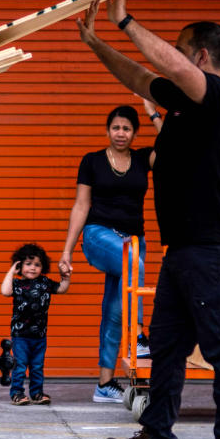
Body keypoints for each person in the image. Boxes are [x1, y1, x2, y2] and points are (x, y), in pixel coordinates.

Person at [76, 0, 220, 439]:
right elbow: (138, 75)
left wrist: (126, 21)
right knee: (167, 345)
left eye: (178, 52)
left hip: (216, 247)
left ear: (200, 56)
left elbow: (168, 66)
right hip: (186, 248)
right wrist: (97, 44)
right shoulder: (181, 104)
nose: (169, 60)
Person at [59, 104, 155, 404]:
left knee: (114, 311)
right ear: (107, 130)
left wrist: (154, 112)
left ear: (135, 132)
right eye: (116, 127)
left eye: (127, 128)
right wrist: (67, 251)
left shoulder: (142, 158)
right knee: (132, 262)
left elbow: (174, 146)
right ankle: (138, 336)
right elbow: (81, 205)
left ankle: (104, 384)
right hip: (99, 235)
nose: (121, 133)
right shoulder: (92, 161)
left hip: (134, 238)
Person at [1, 243, 69, 406]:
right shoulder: (16, 285)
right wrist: (12, 271)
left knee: (37, 366)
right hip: (21, 336)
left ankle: (36, 393)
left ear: (43, 267)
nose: (33, 268)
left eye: (37, 265)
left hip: (39, 336)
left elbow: (61, 289)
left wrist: (65, 277)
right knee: (20, 365)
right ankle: (17, 393)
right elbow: (5, 291)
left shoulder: (45, 282)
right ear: (20, 265)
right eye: (28, 264)